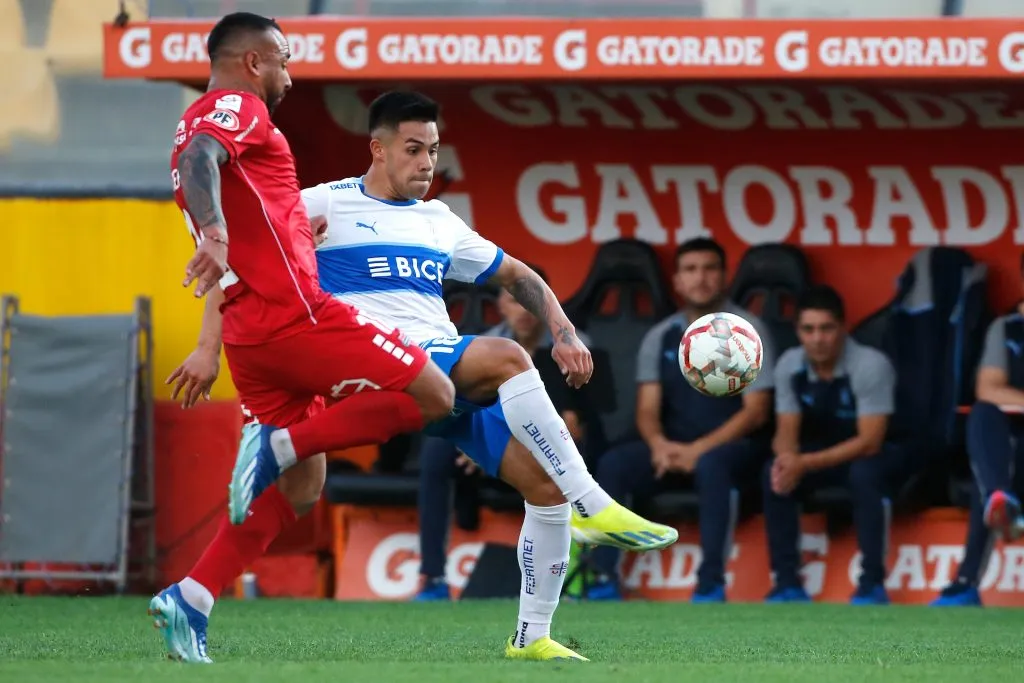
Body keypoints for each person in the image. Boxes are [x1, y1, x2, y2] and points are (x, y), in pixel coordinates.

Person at [170, 89, 678, 662]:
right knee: (509, 358)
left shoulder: (440, 221)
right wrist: (207, 348)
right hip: (375, 358)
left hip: (437, 365)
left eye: (433, 151)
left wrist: (562, 329)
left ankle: (530, 637)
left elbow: (517, 275)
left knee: (542, 488)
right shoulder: (322, 204)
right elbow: (238, 260)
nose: (426, 163)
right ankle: (594, 501)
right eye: (413, 149)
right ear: (378, 150)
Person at [150, 13, 456, 664]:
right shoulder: (235, 106)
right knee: (437, 392)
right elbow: (206, 160)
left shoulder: (197, 122)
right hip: (295, 319)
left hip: (250, 333)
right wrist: (215, 232)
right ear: (253, 62)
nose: (291, 74)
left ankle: (192, 598)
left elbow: (224, 179)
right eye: (284, 60)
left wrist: (282, 240)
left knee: (302, 485)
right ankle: (279, 440)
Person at [585, 238, 775, 603]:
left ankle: (710, 584)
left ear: (724, 277)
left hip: (732, 450)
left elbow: (757, 411)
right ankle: (603, 578)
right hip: (673, 448)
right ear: (677, 281)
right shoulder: (662, 336)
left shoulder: (748, 331)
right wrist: (659, 446)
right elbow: (646, 409)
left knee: (714, 466)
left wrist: (698, 450)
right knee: (614, 464)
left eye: (709, 269)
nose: (700, 278)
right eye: (690, 269)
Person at [414, 268, 592, 601]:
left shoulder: (573, 346)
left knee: (584, 451)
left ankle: (585, 576)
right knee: (436, 453)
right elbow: (469, 407)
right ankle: (433, 576)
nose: (523, 310)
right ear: (501, 304)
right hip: (492, 440)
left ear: (546, 304)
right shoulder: (486, 347)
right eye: (514, 300)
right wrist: (477, 444)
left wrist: (499, 445)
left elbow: (571, 422)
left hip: (551, 449)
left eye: (529, 302)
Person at [763, 285, 913, 606]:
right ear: (798, 331)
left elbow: (871, 441)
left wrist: (804, 463)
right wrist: (788, 460)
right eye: (808, 329)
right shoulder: (790, 365)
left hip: (880, 451)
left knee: (865, 474)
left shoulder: (869, 364)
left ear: (843, 328)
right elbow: (786, 429)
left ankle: (872, 583)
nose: (817, 338)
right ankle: (787, 583)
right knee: (772, 474)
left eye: (826, 328)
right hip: (823, 453)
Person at [932, 287, 1024, 607]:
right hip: (1013, 448)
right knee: (983, 416)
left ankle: (966, 581)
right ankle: (1003, 501)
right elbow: (988, 389)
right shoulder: (1008, 328)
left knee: (988, 482)